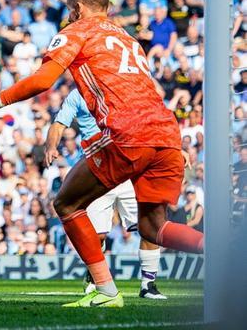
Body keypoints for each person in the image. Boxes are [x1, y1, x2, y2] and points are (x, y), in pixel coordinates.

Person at [0, 0, 204, 308]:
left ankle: (107, 291)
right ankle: (222, 252)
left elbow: (42, 80)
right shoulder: (129, 40)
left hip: (127, 133)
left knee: (67, 203)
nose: (68, 16)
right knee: (154, 228)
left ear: (78, 8)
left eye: (70, 10)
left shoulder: (78, 31)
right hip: (167, 133)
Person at [45, 88, 167, 299]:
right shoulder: (77, 95)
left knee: (149, 228)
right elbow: (59, 124)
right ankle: (95, 276)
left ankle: (149, 285)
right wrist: (50, 145)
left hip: (129, 168)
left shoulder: (122, 86)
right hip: (97, 171)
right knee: (97, 235)